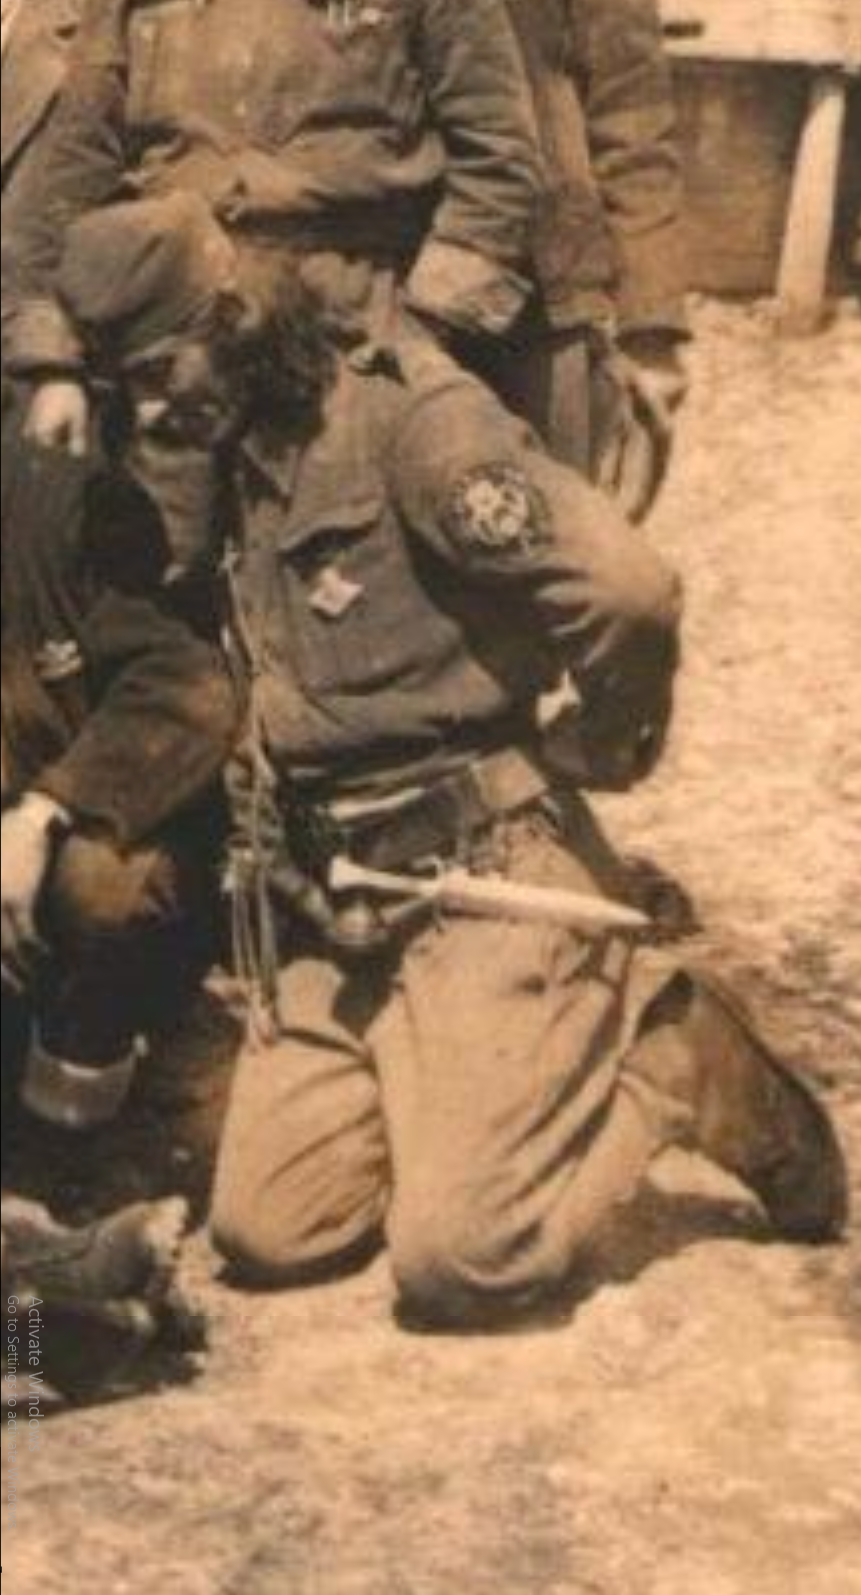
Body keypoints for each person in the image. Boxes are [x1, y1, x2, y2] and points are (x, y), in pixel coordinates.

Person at [51, 195, 848, 1327]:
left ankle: (668, 1054)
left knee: (465, 1260)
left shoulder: (413, 424)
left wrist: (595, 743)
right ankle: (459, 1081)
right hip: (338, 904)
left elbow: (627, 589)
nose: (150, 407)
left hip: (486, 872)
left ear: (232, 317)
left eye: (158, 370)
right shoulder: (236, 444)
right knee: (269, 1229)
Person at [2, 0, 540, 470]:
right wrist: (55, 361)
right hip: (174, 343)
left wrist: (424, 329)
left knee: (347, 534)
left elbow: (498, 162)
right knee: (167, 547)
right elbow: (74, 168)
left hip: (348, 326)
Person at [0, 230, 242, 1132]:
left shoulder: (52, 494)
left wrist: (41, 812)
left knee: (108, 888)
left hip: (66, 818)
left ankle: (79, 1094)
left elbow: (187, 681)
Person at [495, 0, 689, 518]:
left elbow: (633, 122)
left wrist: (651, 327)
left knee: (555, 530)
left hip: (542, 301)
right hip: (378, 298)